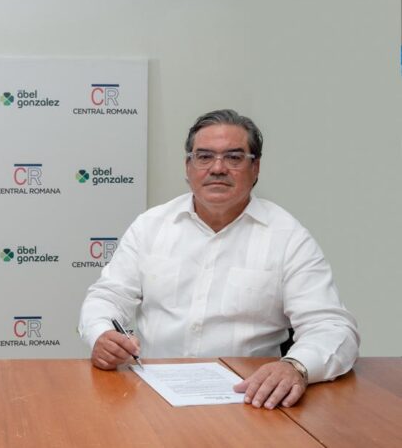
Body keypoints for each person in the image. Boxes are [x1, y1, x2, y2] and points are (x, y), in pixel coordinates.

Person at [79, 109, 359, 410]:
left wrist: (296, 367)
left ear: (255, 167)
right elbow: (106, 298)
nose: (217, 168)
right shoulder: (151, 226)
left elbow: (332, 327)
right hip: (153, 397)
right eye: (204, 157)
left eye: (234, 158)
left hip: (248, 399)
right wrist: (102, 335)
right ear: (188, 166)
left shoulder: (287, 236)